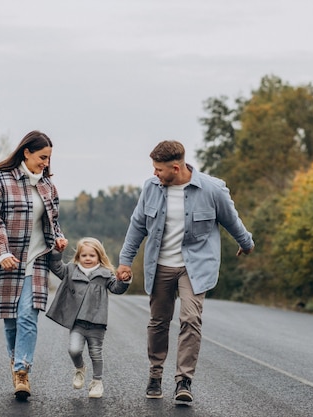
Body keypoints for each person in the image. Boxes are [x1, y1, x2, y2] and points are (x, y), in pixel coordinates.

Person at [116, 140, 254, 404]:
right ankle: (155, 374)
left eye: (159, 169)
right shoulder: (151, 188)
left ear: (176, 168)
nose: (155, 173)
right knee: (158, 322)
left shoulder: (212, 189)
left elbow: (231, 219)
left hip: (195, 267)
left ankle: (183, 380)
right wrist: (125, 261)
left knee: (191, 319)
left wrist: (246, 243)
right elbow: (137, 226)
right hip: (160, 266)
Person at [0, 130, 68, 401]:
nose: (46, 163)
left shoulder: (48, 186)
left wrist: (59, 238)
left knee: (28, 316)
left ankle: (22, 371)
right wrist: (1, 251)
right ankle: (16, 359)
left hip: (37, 261)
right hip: (9, 261)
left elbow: (52, 222)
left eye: (49, 159)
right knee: (11, 320)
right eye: (42, 157)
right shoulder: (1, 182)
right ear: (26, 152)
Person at [45, 237, 131, 398]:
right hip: (77, 322)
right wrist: (57, 252)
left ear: (99, 256)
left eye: (92, 255)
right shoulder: (71, 270)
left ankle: (97, 382)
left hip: (97, 322)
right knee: (74, 349)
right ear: (78, 257)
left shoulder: (105, 274)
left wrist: (124, 280)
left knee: (96, 353)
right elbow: (56, 267)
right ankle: (80, 368)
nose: (88, 259)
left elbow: (117, 289)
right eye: (84, 255)